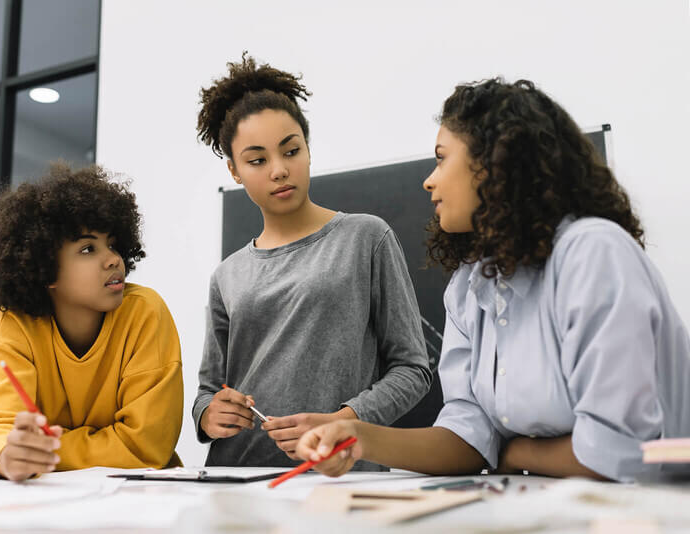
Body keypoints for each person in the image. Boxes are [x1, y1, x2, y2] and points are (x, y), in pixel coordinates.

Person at [295, 78, 690, 482]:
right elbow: (469, 438)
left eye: (441, 158)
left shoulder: (592, 252)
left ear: (493, 163)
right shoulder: (470, 285)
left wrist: (514, 449)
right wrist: (356, 437)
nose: (429, 180)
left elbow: (617, 454)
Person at [192, 54, 432, 469]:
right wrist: (209, 416)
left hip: (339, 475)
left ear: (307, 147)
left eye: (291, 150)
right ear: (234, 171)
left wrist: (343, 424)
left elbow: (413, 369)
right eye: (257, 160)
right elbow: (207, 392)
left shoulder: (366, 238)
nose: (280, 170)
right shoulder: (226, 275)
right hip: (238, 478)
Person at [0, 163, 183, 481]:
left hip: (137, 503)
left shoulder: (145, 312)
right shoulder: (14, 325)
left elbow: (145, 446)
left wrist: (38, 452)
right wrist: (6, 454)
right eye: (88, 248)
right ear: (46, 270)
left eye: (113, 244)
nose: (113, 258)